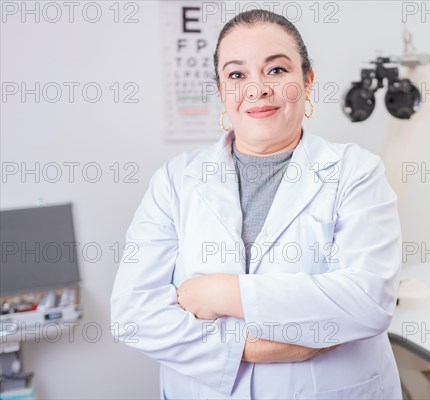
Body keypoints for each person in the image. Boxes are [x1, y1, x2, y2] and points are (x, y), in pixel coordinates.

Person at [111, 9, 403, 400]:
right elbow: (133, 315)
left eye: (277, 70)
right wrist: (253, 350)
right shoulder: (175, 181)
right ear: (221, 92)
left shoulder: (356, 172)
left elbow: (367, 302)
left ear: (307, 80)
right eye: (236, 74)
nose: (257, 88)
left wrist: (218, 293)